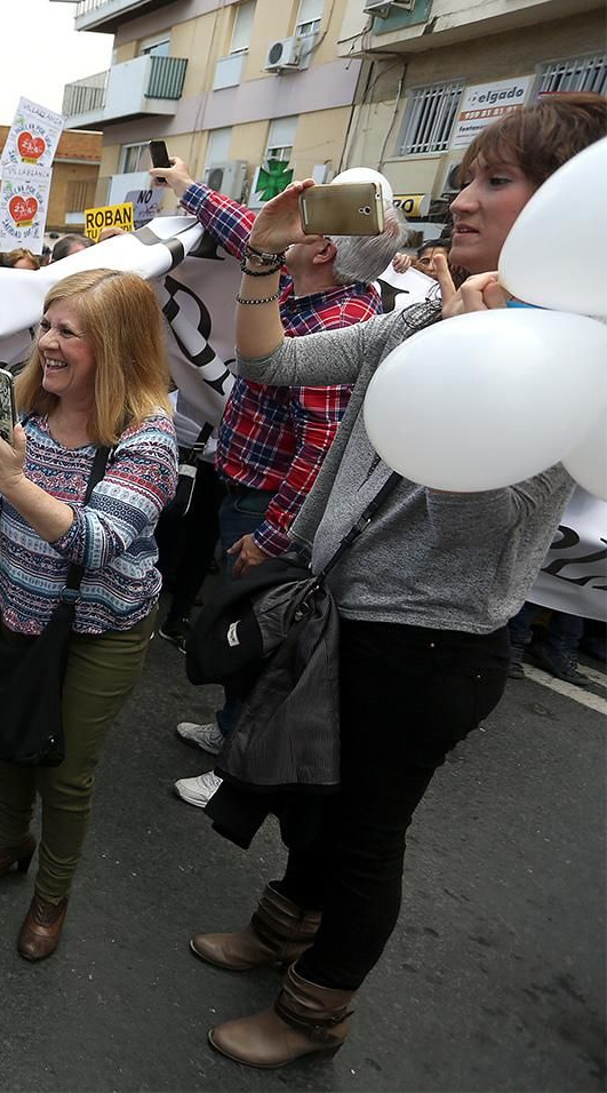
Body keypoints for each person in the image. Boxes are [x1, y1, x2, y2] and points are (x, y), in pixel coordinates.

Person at [193, 92, 606, 1070]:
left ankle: (314, 1011)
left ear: (573, 208)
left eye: (496, 180)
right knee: (314, 800)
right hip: (340, 614)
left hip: (429, 649)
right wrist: (264, 256)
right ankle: (284, 927)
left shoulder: (571, 363)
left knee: (364, 835)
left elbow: (479, 523)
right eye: (463, 178)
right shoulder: (415, 321)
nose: (461, 200)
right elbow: (268, 361)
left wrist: (474, 364)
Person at [0, 269, 177, 962]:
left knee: (65, 770)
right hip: (20, 609)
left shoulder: (148, 437)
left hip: (100, 630)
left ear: (115, 345)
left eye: (67, 331)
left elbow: (97, 542)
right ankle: (9, 843)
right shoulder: (26, 413)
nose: (46, 341)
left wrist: (14, 478)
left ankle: (51, 896)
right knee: (11, 736)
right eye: (45, 324)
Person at [148, 155, 404, 808]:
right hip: (247, 492)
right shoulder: (308, 284)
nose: (289, 223)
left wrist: (271, 535)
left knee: (259, 634)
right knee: (242, 621)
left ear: (320, 249)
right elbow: (249, 231)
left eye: (308, 218)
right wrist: (186, 186)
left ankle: (237, 766)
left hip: (268, 509)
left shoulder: (338, 329)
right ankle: (229, 725)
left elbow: (320, 452)